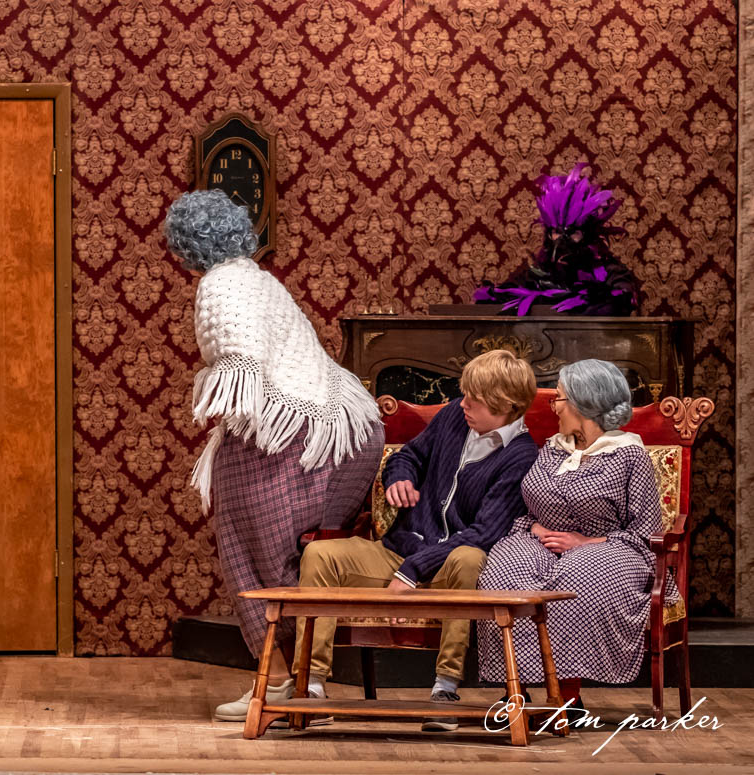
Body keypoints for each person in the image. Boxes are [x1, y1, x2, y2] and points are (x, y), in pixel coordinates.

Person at [163, 190, 385, 723]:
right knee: (302, 557)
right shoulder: (262, 279)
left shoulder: (220, 283)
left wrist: (226, 396)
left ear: (186, 247)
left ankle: (289, 681)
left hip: (288, 436)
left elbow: (239, 360)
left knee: (251, 554)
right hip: (342, 431)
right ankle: (302, 680)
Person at [295, 349, 538, 731]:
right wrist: (400, 479)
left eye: (474, 399)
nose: (464, 403)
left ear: (506, 405)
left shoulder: (521, 456)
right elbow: (407, 456)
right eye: (465, 394)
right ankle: (310, 687)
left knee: (470, 557)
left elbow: (485, 532)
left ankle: (445, 689)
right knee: (321, 554)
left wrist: (413, 571)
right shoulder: (455, 416)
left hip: (447, 568)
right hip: (400, 549)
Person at [477, 359, 670, 716]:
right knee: (504, 573)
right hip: (540, 540)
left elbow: (644, 531)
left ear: (584, 403)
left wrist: (585, 543)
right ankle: (514, 692)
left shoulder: (630, 455)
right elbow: (524, 506)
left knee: (577, 578)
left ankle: (566, 699)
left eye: (559, 399)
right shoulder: (553, 449)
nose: (553, 406)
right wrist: (533, 528)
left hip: (610, 548)